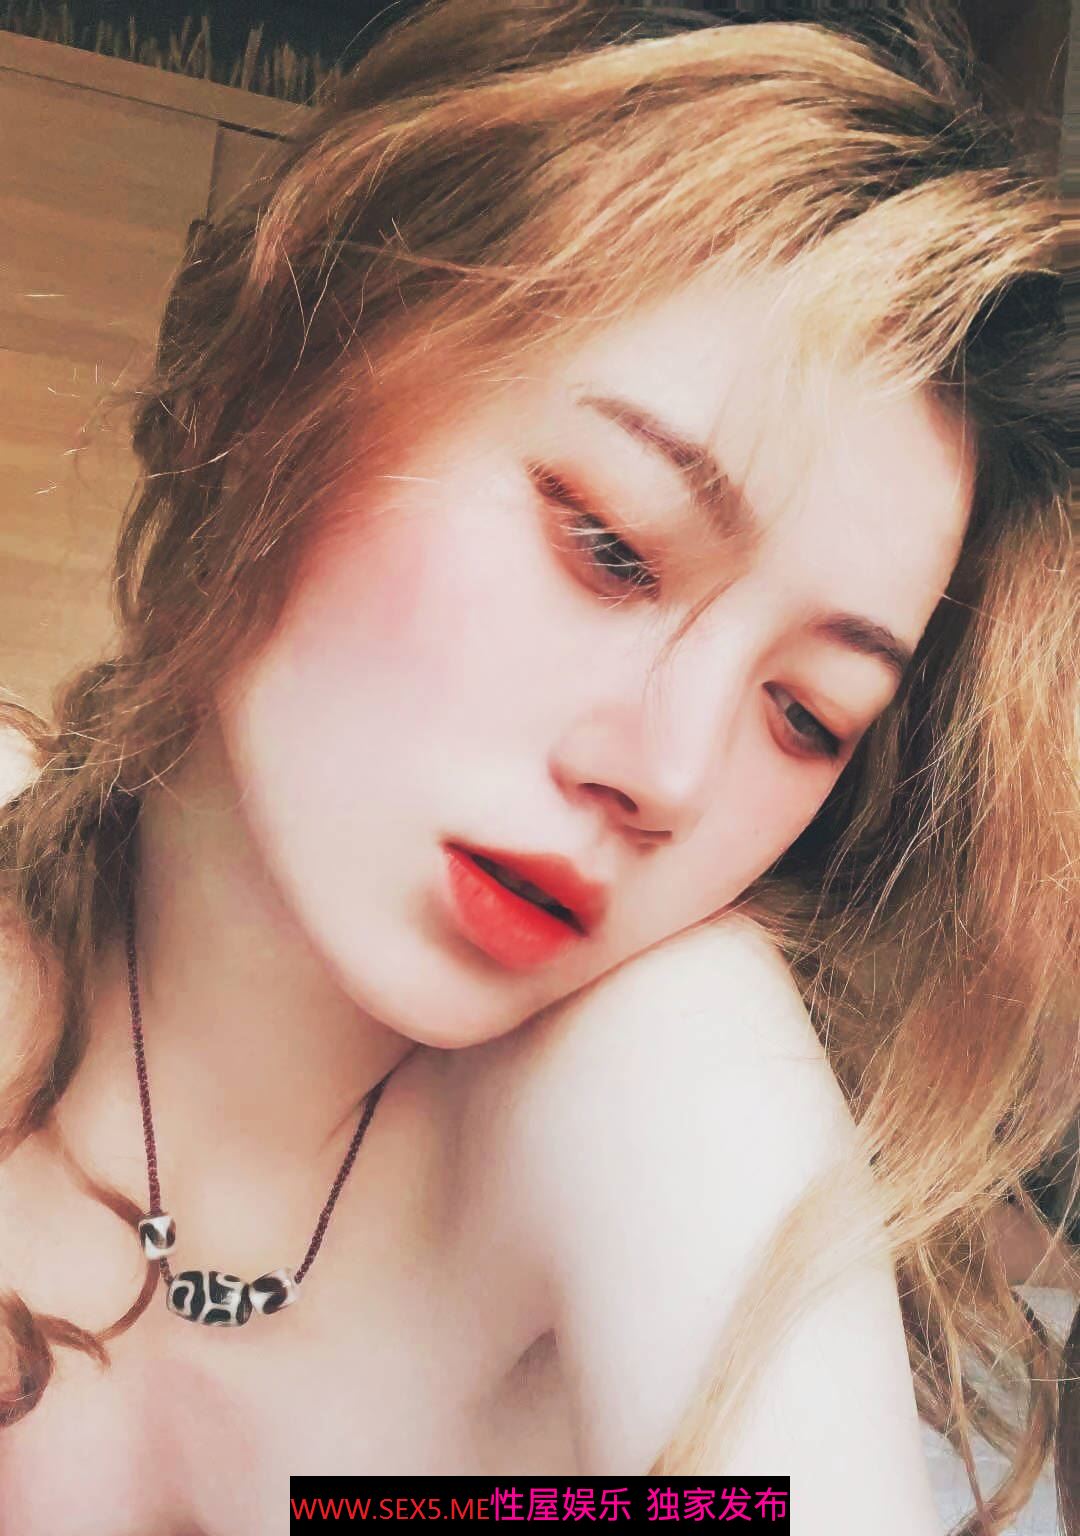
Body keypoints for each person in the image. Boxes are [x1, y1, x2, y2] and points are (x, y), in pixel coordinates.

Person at [0, 2, 1075, 1532]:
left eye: (807, 715)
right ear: (296, 363)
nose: (673, 773)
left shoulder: (662, 1076)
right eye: (610, 545)